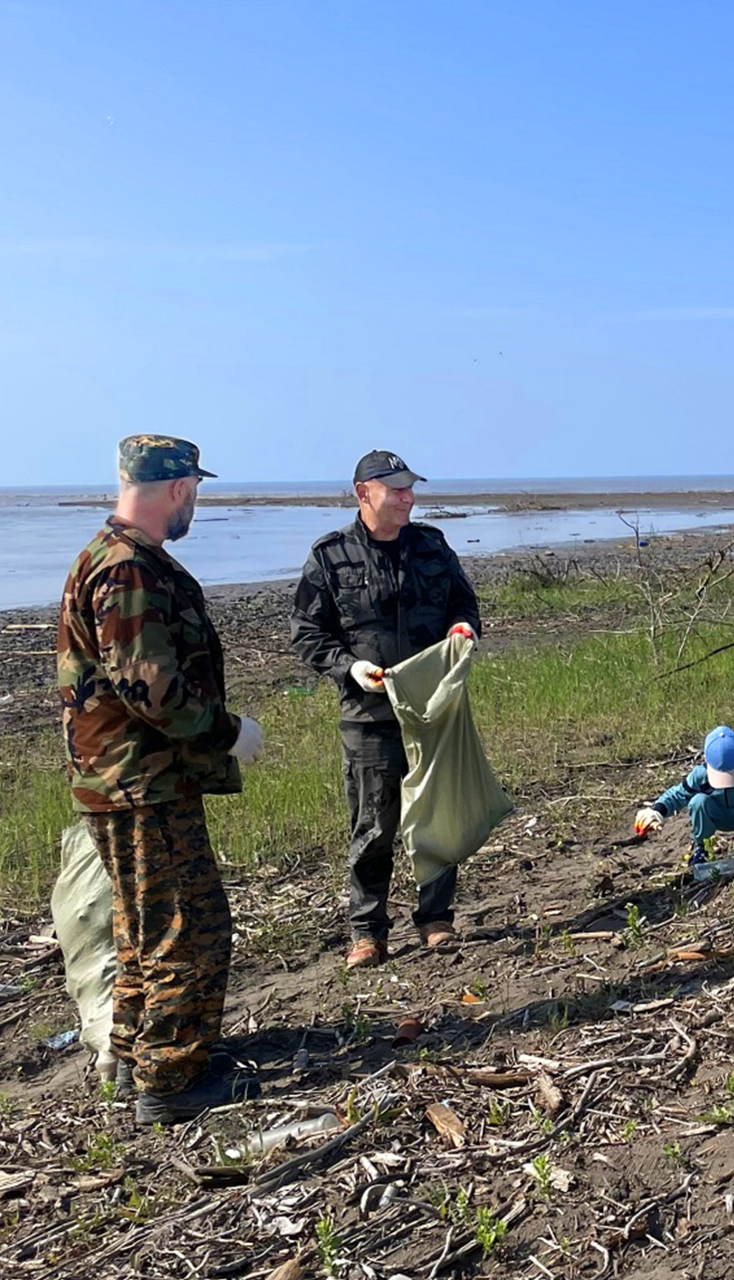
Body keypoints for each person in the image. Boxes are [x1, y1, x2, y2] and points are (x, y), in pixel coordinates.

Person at [58, 435, 265, 1126]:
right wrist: (228, 731)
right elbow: (151, 687)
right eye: (195, 492)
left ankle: (134, 1055)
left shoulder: (106, 556)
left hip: (120, 776)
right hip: (142, 779)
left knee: (140, 925)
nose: (194, 505)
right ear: (178, 488)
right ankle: (171, 1080)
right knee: (189, 927)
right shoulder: (128, 568)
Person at [291, 450, 483, 968]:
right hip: (368, 717)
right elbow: (308, 634)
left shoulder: (432, 546)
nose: (408, 498)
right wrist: (348, 667)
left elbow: (464, 607)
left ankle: (436, 918)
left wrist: (463, 630)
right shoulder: (330, 556)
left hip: (432, 709)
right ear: (363, 493)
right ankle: (367, 930)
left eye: (410, 488)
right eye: (396, 489)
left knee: (435, 816)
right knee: (373, 825)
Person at [633, 726, 734, 869]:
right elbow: (677, 795)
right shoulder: (699, 775)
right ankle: (702, 848)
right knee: (698, 801)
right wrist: (657, 810)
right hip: (715, 815)